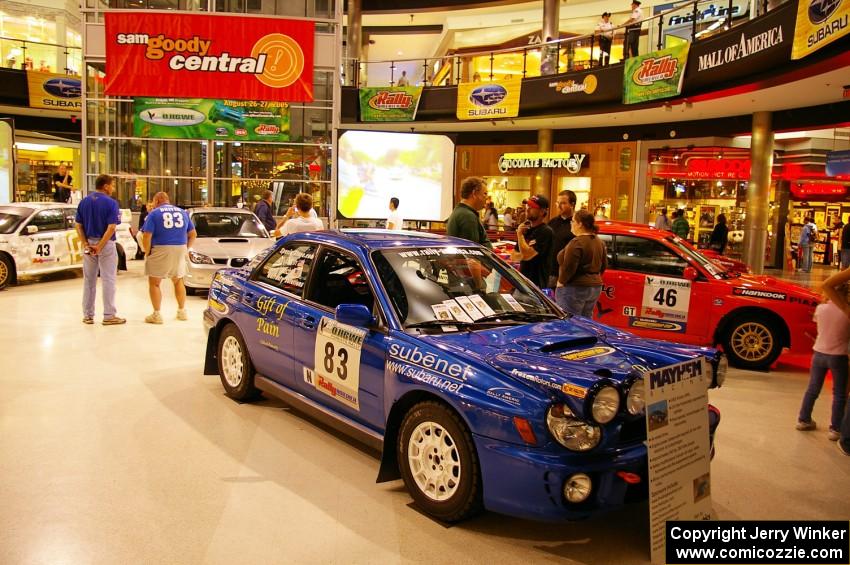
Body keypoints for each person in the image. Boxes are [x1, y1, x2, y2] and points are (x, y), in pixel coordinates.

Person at [795, 290, 850, 442]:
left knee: (812, 389)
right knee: (839, 394)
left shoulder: (821, 309)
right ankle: (835, 429)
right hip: (839, 355)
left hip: (818, 353)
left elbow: (818, 325)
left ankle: (803, 419)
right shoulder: (846, 311)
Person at [74, 174, 126, 325]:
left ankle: (88, 315)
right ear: (106, 186)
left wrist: (85, 244)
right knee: (108, 279)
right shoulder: (111, 203)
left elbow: (78, 225)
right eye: (112, 185)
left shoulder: (84, 202)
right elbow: (111, 228)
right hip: (106, 245)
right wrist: (100, 246)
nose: (113, 188)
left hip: (89, 243)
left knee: (89, 280)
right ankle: (109, 315)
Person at [141, 192, 196, 324]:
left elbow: (147, 235)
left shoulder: (154, 214)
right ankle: (182, 311)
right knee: (178, 281)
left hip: (160, 248)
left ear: (157, 200)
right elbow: (193, 234)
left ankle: (157, 314)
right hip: (180, 247)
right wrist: (186, 248)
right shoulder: (183, 213)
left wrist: (147, 252)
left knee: (155, 283)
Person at [556, 210, 608, 317]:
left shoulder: (576, 242)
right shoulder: (599, 241)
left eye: (573, 221)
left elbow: (569, 267)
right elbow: (604, 265)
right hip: (594, 287)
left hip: (575, 288)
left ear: (580, 224)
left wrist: (561, 281)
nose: (571, 224)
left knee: (570, 323)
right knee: (585, 323)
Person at [516, 195, 554, 289]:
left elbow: (526, 255)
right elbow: (515, 255)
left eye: (532, 207)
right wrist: (525, 251)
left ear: (542, 211)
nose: (527, 209)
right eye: (528, 206)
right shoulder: (526, 230)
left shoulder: (546, 231)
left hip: (536, 286)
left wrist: (520, 235)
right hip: (522, 283)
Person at [446, 177, 492, 248]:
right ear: (474, 193)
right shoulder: (467, 216)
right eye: (485, 194)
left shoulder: (460, 211)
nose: (486, 198)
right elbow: (472, 250)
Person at [548, 189, 577, 289]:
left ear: (572, 204)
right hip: (550, 272)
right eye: (558, 203)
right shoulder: (552, 222)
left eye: (563, 203)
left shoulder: (577, 224)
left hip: (566, 276)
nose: (559, 206)